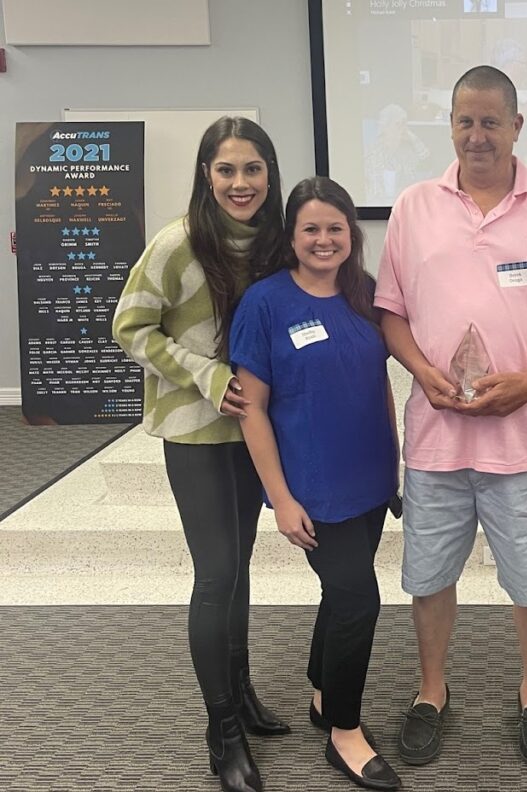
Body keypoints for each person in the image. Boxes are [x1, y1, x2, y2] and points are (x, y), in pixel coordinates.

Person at [374, 65, 527, 768]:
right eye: (465, 121)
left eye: (491, 122)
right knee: (428, 574)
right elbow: (392, 311)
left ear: (516, 126)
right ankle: (431, 689)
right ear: (450, 125)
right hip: (438, 435)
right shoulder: (413, 205)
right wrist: (422, 372)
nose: (478, 135)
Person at [113, 116, 288, 792]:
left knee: (238, 566)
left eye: (251, 169)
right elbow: (129, 326)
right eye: (226, 170)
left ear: (269, 175)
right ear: (206, 175)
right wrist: (206, 374)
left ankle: (240, 693)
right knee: (216, 574)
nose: (239, 183)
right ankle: (221, 728)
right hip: (196, 430)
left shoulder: (274, 244)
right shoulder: (177, 243)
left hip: (254, 432)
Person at [229, 177, 402, 791]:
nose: (324, 239)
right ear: (292, 236)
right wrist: (280, 498)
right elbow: (251, 407)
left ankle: (323, 694)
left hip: (371, 476)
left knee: (341, 591)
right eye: (311, 229)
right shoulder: (266, 303)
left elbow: (378, 381)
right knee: (359, 597)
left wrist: (396, 461)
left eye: (335, 228)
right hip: (315, 485)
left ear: (351, 235)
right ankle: (345, 732)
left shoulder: (365, 294)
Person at [364, 104, 430, 204]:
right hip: (380, 211)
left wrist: (412, 137)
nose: (403, 129)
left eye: (405, 124)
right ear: (385, 127)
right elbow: (376, 192)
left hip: (406, 206)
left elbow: (425, 159)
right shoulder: (374, 152)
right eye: (398, 124)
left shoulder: (406, 150)